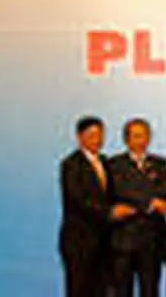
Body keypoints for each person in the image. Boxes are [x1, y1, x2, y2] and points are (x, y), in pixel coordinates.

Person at [108, 118, 166, 297]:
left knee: (150, 289)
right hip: (124, 238)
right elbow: (120, 191)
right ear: (127, 139)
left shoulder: (160, 163)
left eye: (145, 135)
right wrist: (150, 203)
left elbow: (162, 190)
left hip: (153, 238)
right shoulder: (114, 164)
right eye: (136, 136)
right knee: (122, 290)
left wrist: (140, 200)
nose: (142, 140)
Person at [59, 116, 137, 297]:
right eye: (92, 135)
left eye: (101, 134)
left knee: (103, 290)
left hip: (104, 241)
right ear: (80, 137)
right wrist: (110, 211)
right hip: (79, 242)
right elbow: (78, 199)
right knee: (79, 290)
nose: (98, 139)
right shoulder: (71, 164)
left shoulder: (105, 161)